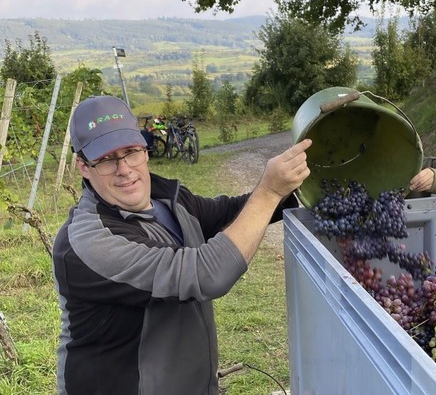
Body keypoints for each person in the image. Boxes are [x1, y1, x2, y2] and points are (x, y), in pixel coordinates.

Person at [52, 95, 311, 395]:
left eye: (132, 151)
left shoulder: (166, 198)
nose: (125, 169)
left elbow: (230, 213)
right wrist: (269, 190)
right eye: (107, 159)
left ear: (145, 150)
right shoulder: (87, 243)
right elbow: (205, 274)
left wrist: (309, 188)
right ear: (83, 166)